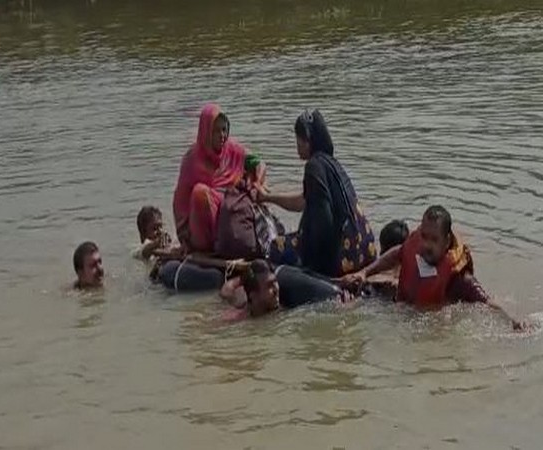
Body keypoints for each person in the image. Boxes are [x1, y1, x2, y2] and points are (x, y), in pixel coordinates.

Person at [342, 206, 525, 330]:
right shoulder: (413, 248)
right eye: (424, 236)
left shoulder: (459, 279)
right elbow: (397, 253)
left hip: (430, 330)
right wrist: (364, 272)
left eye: (434, 239)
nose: (427, 244)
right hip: (400, 314)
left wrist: (513, 321)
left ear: (446, 242)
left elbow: (488, 302)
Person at [257, 109, 376, 277]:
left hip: (343, 257)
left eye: (298, 139)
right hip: (364, 249)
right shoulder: (330, 163)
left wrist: (313, 266)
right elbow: (303, 202)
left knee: (275, 247)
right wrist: (267, 197)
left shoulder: (313, 167)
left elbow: (324, 221)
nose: (297, 144)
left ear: (307, 141)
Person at [173, 103, 265, 253]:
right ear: (205, 132)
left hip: (229, 221)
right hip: (201, 227)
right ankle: (206, 245)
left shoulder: (233, 150)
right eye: (216, 131)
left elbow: (258, 162)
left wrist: (256, 182)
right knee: (200, 193)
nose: (222, 135)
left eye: (224, 129)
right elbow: (180, 204)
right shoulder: (191, 160)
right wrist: (184, 239)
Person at [221, 259, 351, 320]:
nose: (276, 289)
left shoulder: (283, 308)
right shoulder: (236, 318)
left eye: (275, 283)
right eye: (269, 286)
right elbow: (227, 290)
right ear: (253, 295)